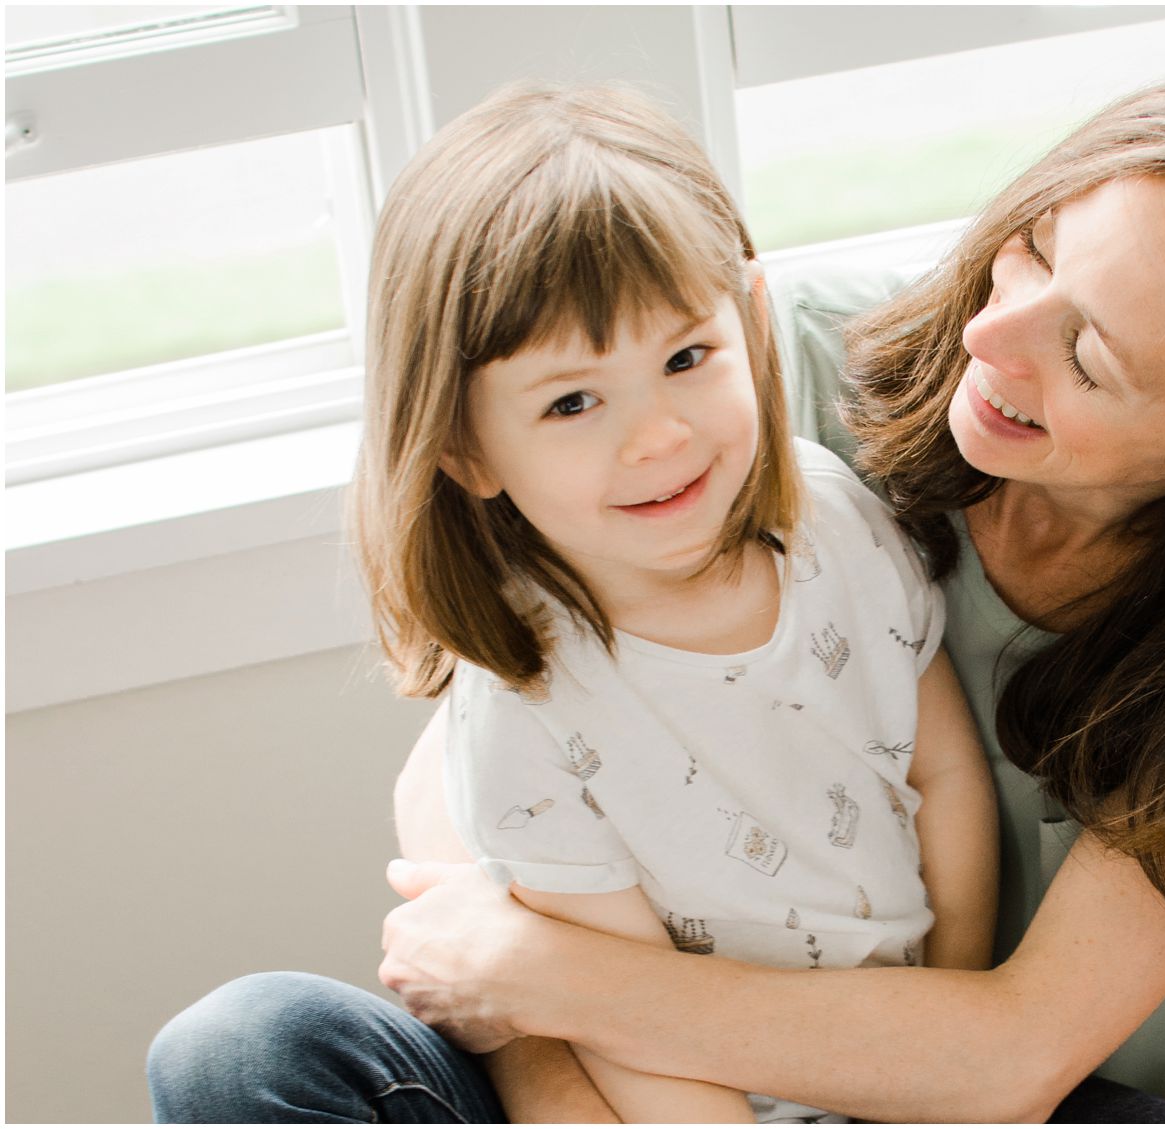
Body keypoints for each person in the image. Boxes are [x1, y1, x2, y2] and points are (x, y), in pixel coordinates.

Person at [155, 59, 1165, 1124]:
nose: (993, 336)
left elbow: (1011, 1055)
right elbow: (474, 756)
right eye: (1031, 247)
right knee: (249, 1055)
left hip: (998, 1091)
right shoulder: (755, 377)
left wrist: (552, 980)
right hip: (634, 1073)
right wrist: (556, 1068)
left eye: (1089, 359)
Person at [148, 83, 1002, 1124]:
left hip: (895, 1061)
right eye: (571, 401)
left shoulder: (837, 519)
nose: (658, 436)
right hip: (672, 1096)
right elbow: (624, 1020)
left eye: (687, 357)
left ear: (751, 317)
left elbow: (943, 773)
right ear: (464, 447)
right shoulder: (525, 694)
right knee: (239, 1054)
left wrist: (948, 1064)